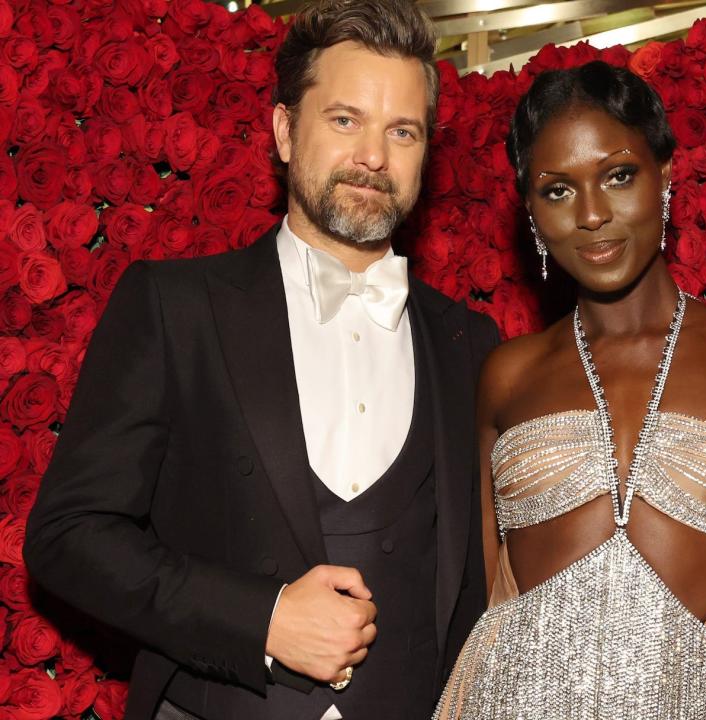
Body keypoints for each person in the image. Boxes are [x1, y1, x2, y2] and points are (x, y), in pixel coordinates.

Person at [24, 2, 499, 719]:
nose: (374, 156)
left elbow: (487, 579)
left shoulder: (470, 343)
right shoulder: (176, 307)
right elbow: (68, 535)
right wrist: (261, 619)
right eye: (345, 120)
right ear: (284, 130)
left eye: (402, 131)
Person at [435, 61, 706, 719]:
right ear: (529, 209)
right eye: (557, 190)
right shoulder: (509, 374)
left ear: (664, 175)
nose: (591, 215)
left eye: (618, 177)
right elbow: (478, 594)